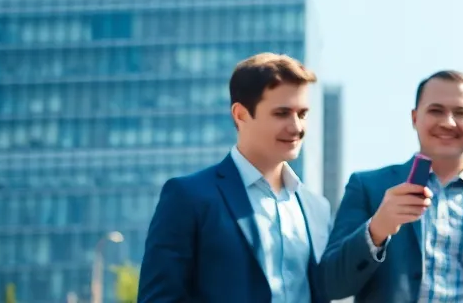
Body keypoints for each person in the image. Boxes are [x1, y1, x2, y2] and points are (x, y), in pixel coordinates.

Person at [138, 53, 332, 303]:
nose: (296, 127)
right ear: (240, 114)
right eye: (282, 113)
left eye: (302, 114)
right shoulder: (188, 197)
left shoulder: (318, 209)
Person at [322, 70, 463, 302]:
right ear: (414, 118)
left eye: (461, 112)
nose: (448, 122)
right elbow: (330, 285)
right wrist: (377, 229)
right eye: (435, 110)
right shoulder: (368, 187)